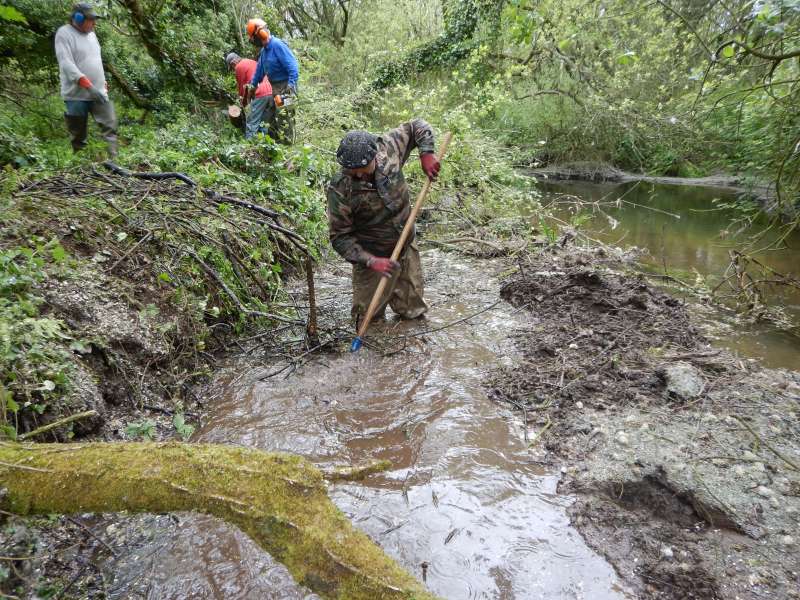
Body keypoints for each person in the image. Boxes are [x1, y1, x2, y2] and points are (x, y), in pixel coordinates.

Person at [326, 120, 441, 328]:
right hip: (372, 257)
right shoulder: (340, 188)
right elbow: (339, 238)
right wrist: (371, 261)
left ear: (374, 156)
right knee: (369, 325)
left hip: (405, 246)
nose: (359, 175)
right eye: (353, 172)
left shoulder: (389, 148)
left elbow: (418, 126)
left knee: (413, 315)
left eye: (363, 168)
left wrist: (426, 153)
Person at [54, 3, 117, 157]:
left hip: (99, 92)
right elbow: (66, 64)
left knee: (110, 125)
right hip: (76, 95)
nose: (94, 23)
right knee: (78, 136)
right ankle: (81, 168)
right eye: (91, 19)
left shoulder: (92, 35)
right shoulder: (64, 34)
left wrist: (102, 82)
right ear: (78, 18)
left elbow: (94, 59)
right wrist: (88, 86)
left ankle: (114, 163)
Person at [243, 19, 299, 143]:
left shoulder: (277, 45)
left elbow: (293, 67)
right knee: (271, 119)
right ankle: (274, 147)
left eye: (253, 37)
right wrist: (252, 86)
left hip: (286, 86)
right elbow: (259, 72)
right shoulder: (264, 52)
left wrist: (290, 87)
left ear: (259, 34)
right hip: (275, 88)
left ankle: (287, 146)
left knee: (284, 118)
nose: (253, 41)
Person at [225, 52, 273, 139]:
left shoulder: (239, 67)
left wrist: (243, 106)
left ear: (233, 63)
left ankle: (250, 149)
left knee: (251, 124)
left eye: (232, 68)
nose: (233, 70)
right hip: (271, 91)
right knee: (263, 124)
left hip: (260, 93)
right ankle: (263, 147)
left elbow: (243, 89)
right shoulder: (251, 62)